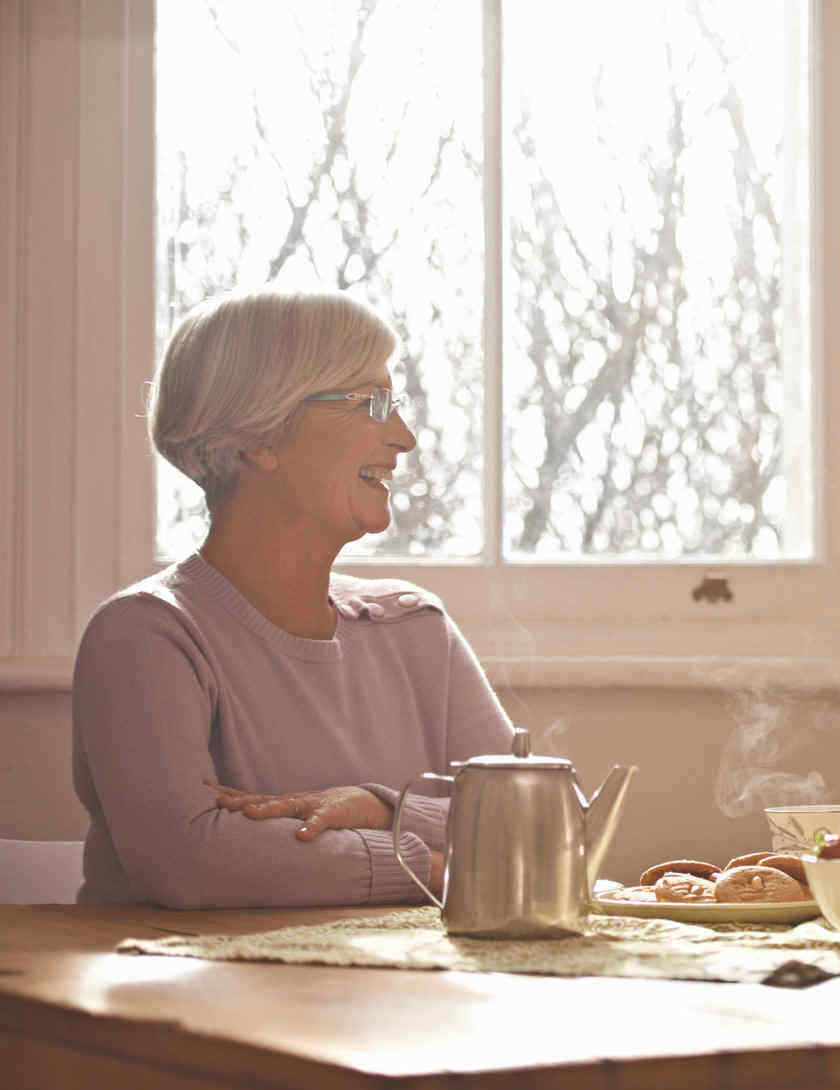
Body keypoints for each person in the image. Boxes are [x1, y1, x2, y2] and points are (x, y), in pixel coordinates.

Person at [72, 291, 514, 907]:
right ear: (261, 435)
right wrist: (438, 866)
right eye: (371, 404)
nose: (405, 437)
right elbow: (191, 862)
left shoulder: (416, 628)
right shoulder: (145, 637)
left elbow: (549, 828)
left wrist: (384, 810)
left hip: (402, 1000)